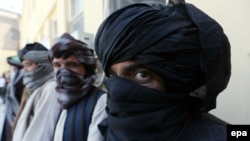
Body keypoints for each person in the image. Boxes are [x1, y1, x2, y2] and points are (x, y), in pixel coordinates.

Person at [91, 0, 231, 141]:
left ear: (176, 80)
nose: (118, 92)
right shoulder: (108, 129)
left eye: (142, 74)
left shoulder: (223, 134)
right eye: (113, 76)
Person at [48, 33, 105, 141]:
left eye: (71, 65)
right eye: (57, 65)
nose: (63, 71)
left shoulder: (100, 100)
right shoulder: (58, 98)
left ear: (87, 69)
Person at [12, 42, 61, 141]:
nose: (24, 70)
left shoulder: (52, 88)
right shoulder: (33, 88)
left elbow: (41, 133)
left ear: (44, 64)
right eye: (23, 65)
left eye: (28, 64)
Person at [1, 56, 24, 141]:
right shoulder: (13, 82)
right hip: (10, 117)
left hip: (17, 118)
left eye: (14, 68)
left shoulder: (22, 81)